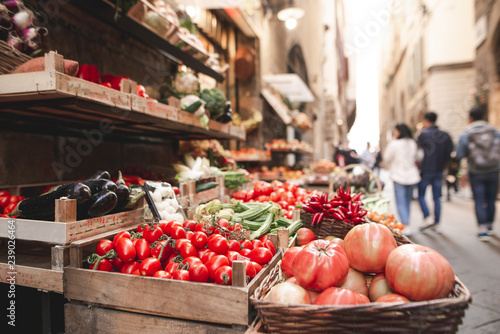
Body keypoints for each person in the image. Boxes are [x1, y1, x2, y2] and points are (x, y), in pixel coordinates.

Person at [455, 106, 500, 240]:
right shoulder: (494, 131)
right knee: (491, 199)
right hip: (494, 170)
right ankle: (490, 225)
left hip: (476, 172)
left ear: (471, 118)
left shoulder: (466, 134)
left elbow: (459, 153)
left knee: (479, 200)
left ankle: (483, 229)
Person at [417, 112, 453, 233]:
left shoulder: (423, 134)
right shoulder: (445, 135)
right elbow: (450, 153)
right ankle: (437, 222)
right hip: (439, 170)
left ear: (426, 120)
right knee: (437, 197)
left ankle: (427, 217)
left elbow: (417, 152)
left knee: (421, 195)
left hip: (426, 170)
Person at [383, 123, 421, 235]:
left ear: (399, 131)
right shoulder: (412, 143)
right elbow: (418, 156)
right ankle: (406, 223)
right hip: (412, 175)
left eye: (395, 131)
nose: (394, 133)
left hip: (398, 175)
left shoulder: (394, 144)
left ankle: (405, 223)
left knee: (400, 202)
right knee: (407, 201)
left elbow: (387, 158)